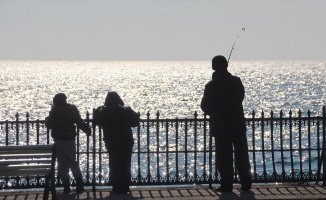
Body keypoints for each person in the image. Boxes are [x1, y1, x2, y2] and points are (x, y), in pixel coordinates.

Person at [201, 55, 252, 192]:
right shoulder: (236, 82)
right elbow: (240, 98)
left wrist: (216, 112)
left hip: (220, 125)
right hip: (237, 124)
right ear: (226, 65)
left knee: (224, 156)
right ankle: (246, 182)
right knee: (242, 154)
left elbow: (205, 106)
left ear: (213, 67)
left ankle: (226, 184)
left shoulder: (211, 86)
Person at [94, 91, 140, 194]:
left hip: (111, 140)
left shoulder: (103, 111)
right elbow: (135, 122)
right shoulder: (126, 110)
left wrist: (98, 109)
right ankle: (125, 185)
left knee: (114, 162)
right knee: (125, 163)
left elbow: (96, 121)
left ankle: (116, 185)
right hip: (126, 139)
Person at [45, 93, 91, 194]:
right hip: (70, 139)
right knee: (73, 162)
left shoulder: (55, 110)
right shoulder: (72, 109)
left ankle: (66, 185)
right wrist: (87, 130)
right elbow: (79, 122)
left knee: (62, 163)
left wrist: (47, 118)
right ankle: (79, 184)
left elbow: (49, 124)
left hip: (58, 139)